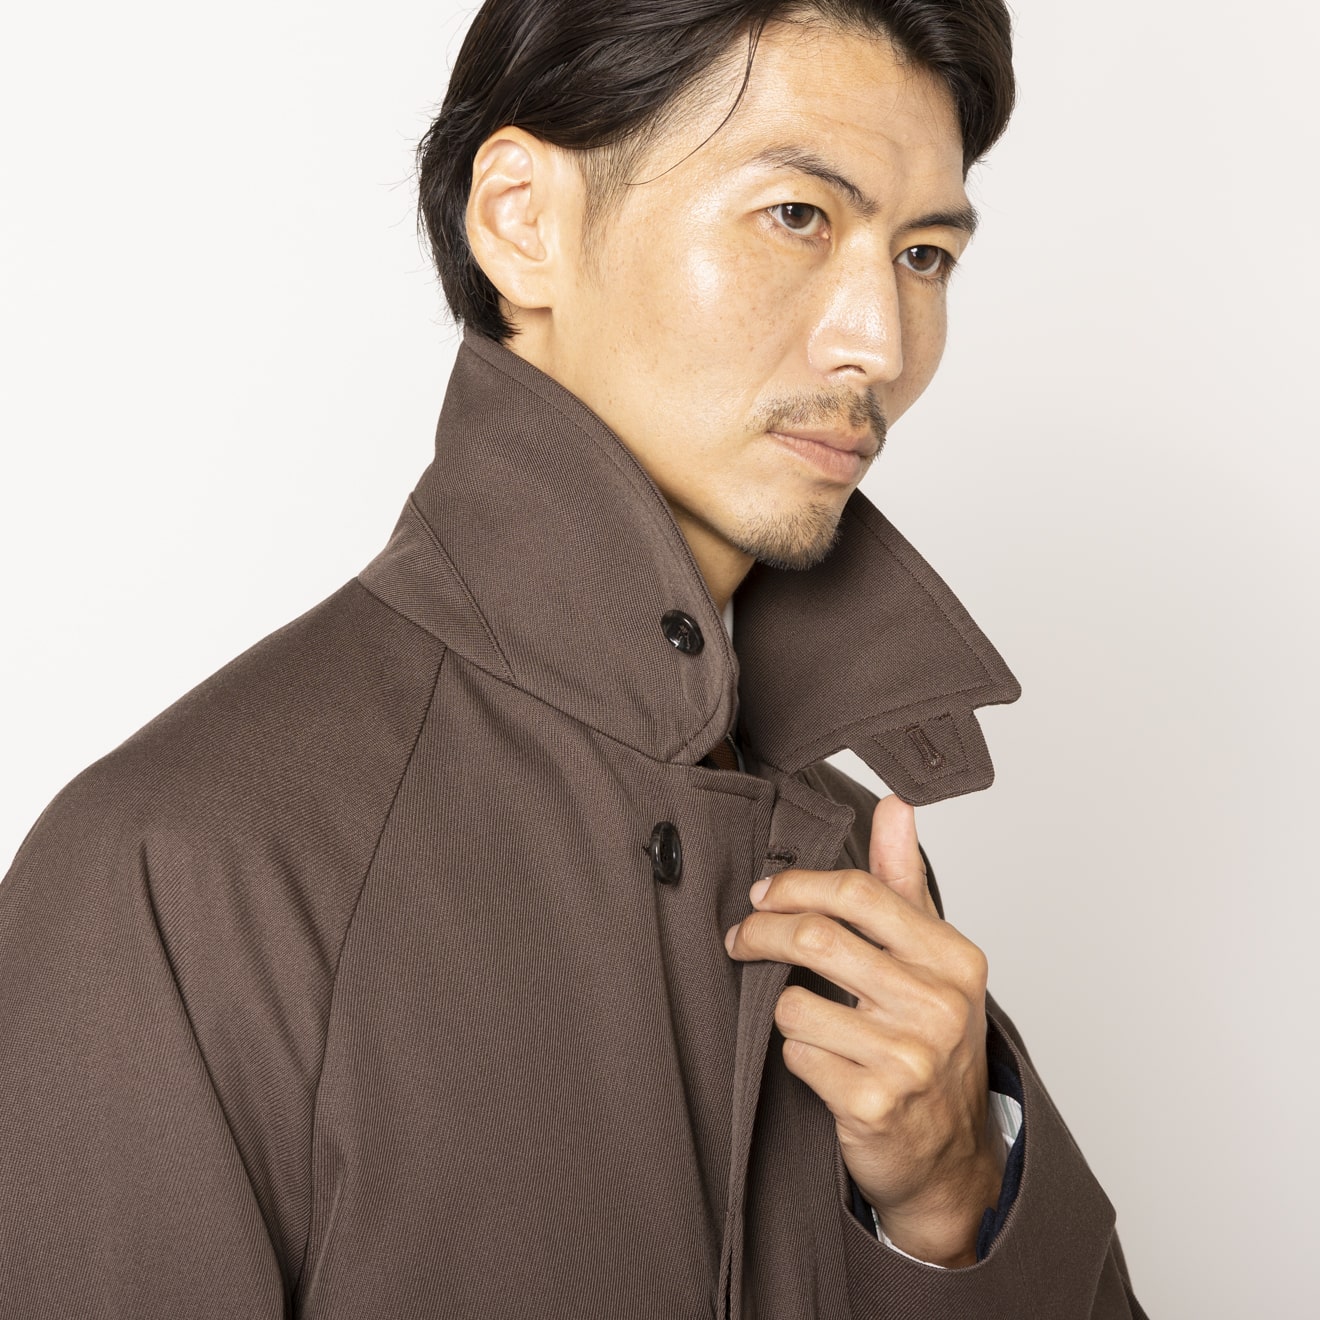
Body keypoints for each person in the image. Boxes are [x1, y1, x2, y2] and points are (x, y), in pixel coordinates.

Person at [0, 2, 1147, 1316]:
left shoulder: (849, 860)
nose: (878, 345)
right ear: (522, 222)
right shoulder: (188, 866)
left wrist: (951, 1200)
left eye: (925, 255)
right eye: (796, 216)